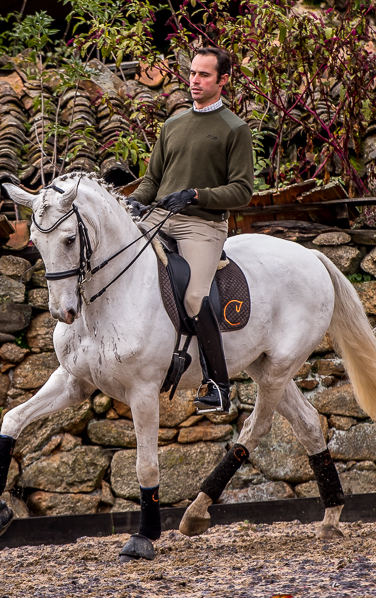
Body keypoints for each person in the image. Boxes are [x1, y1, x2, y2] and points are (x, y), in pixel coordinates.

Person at [125, 46, 254, 414]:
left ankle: (218, 385)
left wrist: (197, 195)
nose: (194, 81)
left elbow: (242, 191)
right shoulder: (173, 125)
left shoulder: (235, 129)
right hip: (159, 216)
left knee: (195, 297)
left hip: (202, 225)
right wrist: (134, 202)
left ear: (223, 80)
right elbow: (152, 180)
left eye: (204, 75)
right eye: (193, 73)